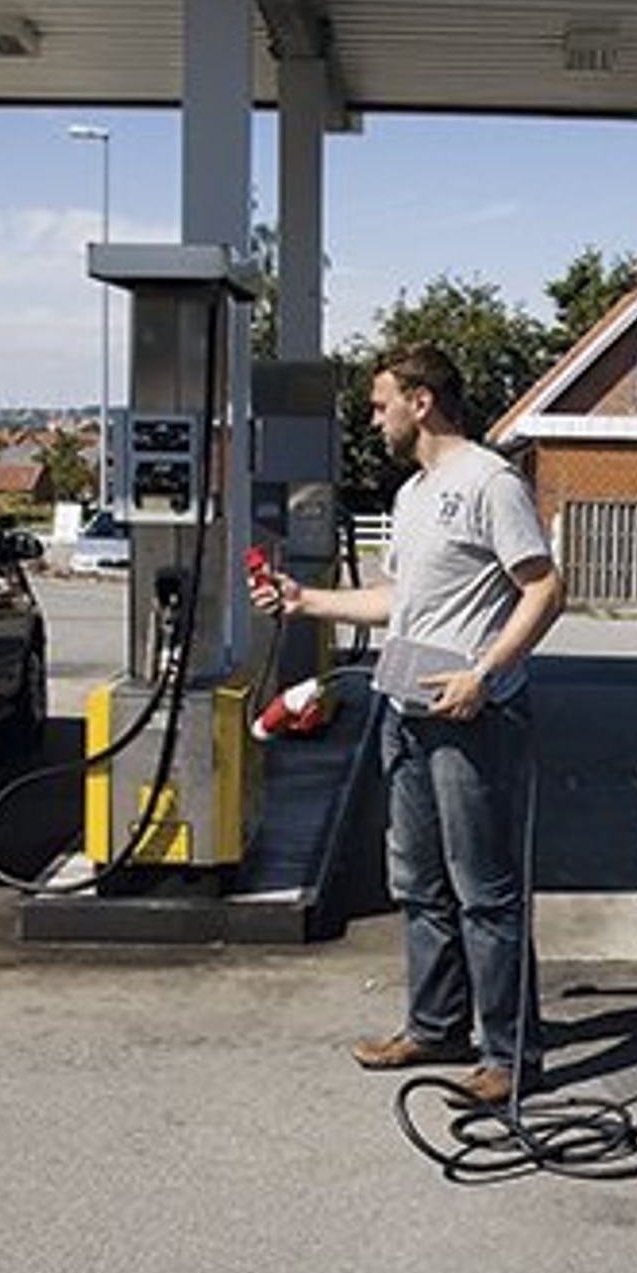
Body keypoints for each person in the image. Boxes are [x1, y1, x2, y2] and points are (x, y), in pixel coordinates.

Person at [249, 344, 566, 1106]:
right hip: (404, 709)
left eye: (381, 399)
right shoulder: (414, 494)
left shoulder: (489, 482)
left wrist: (483, 675)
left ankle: (510, 1056)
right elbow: (400, 601)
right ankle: (435, 1025)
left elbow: (546, 588)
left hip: (473, 717)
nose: (373, 413)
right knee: (419, 884)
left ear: (421, 402)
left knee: (484, 892)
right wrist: (306, 602)